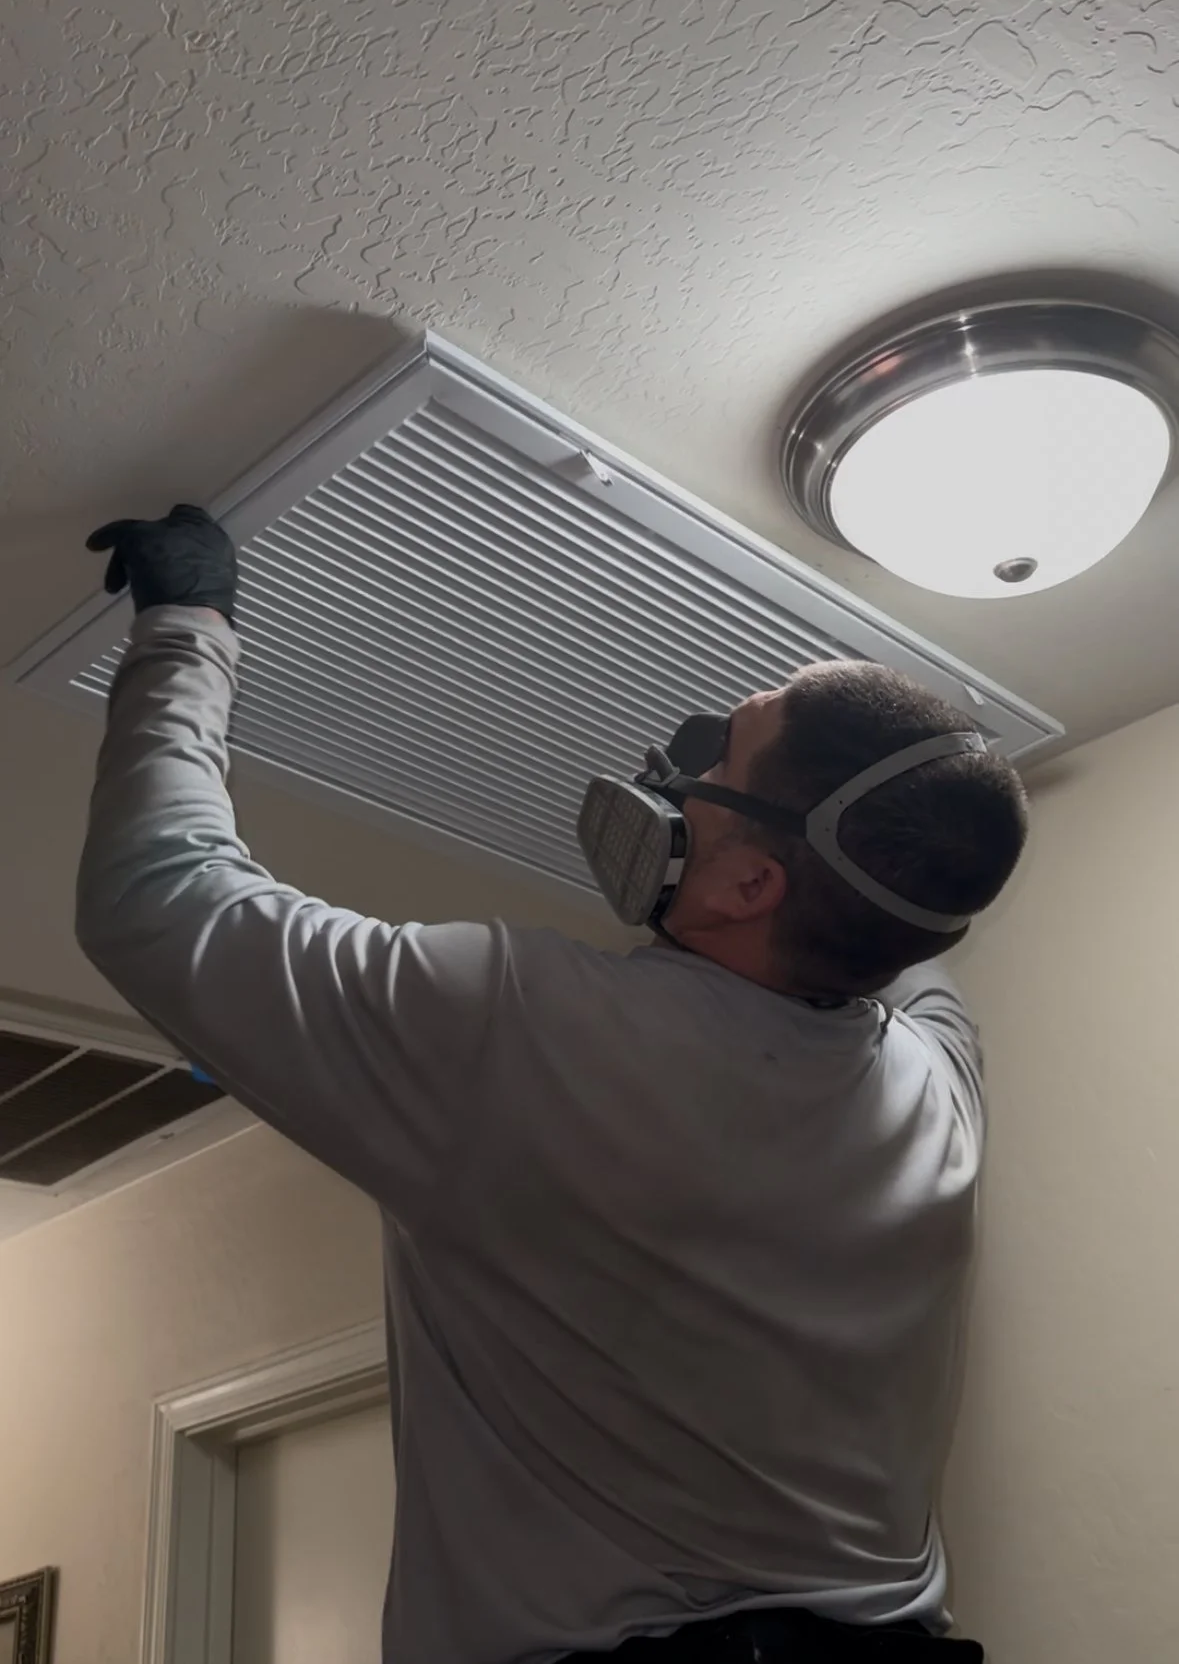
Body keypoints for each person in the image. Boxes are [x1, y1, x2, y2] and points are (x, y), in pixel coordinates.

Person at [75, 506, 1028, 1664]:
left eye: (717, 757)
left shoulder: (522, 1019)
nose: (679, 770)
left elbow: (160, 897)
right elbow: (912, 926)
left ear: (751, 887)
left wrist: (188, 625)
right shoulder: (939, 1088)